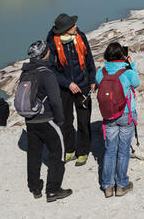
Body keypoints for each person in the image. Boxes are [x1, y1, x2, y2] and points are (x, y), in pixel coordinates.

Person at [21, 39, 72, 202]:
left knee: (34, 153)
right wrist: (60, 119)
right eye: (48, 51)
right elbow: (55, 100)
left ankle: (35, 187)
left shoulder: (25, 72)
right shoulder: (47, 73)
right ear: (44, 55)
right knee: (58, 152)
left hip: (30, 120)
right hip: (47, 119)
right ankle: (53, 189)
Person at [46, 13, 95, 167]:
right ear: (65, 30)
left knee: (83, 119)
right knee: (65, 119)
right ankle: (69, 149)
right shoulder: (52, 42)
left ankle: (83, 151)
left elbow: (89, 58)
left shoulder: (80, 36)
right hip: (64, 88)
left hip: (83, 84)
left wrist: (92, 79)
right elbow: (51, 68)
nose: (76, 26)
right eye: (72, 25)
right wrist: (68, 83)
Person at [96, 42, 139, 198]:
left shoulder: (101, 72)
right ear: (122, 55)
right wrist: (130, 63)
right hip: (126, 114)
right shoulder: (127, 72)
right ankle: (121, 184)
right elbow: (137, 83)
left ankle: (107, 186)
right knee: (123, 150)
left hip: (109, 115)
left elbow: (98, 84)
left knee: (109, 150)